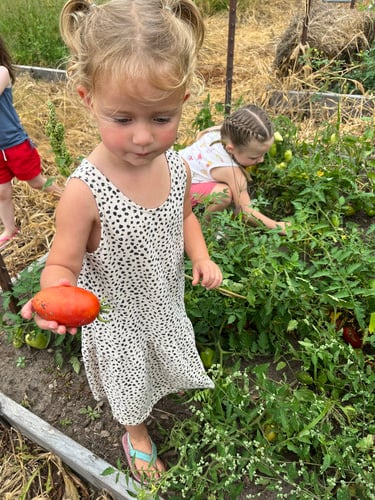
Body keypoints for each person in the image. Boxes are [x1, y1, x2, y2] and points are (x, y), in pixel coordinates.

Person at [21, 0, 222, 484]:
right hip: (117, 319)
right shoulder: (83, 192)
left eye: (160, 118)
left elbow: (185, 217)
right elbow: (62, 264)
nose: (142, 138)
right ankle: (134, 432)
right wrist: (54, 297)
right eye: (122, 118)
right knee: (129, 382)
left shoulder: (176, 166)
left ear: (185, 98)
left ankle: (157, 390)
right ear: (88, 99)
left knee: (164, 353)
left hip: (162, 298)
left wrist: (200, 254)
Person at [179, 104, 289, 233]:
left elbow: (200, 135)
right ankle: (204, 231)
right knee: (223, 194)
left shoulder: (221, 132)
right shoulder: (232, 172)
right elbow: (244, 211)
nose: (261, 160)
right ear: (231, 149)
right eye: (254, 157)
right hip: (174, 192)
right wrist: (278, 227)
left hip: (167, 172)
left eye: (264, 154)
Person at [0, 36, 63, 247]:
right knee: (2, 191)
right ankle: (10, 229)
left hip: (14, 143)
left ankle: (70, 199)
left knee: (37, 182)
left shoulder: (2, 72)